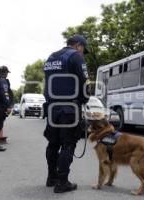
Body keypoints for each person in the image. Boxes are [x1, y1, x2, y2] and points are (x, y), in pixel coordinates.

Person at [43, 34, 90, 193]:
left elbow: (47, 84)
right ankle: (62, 182)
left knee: (53, 143)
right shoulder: (76, 57)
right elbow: (85, 85)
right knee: (68, 144)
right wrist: (84, 99)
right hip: (69, 108)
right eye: (84, 49)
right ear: (78, 45)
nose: (83, 53)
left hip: (52, 108)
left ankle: (51, 177)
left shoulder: (51, 57)